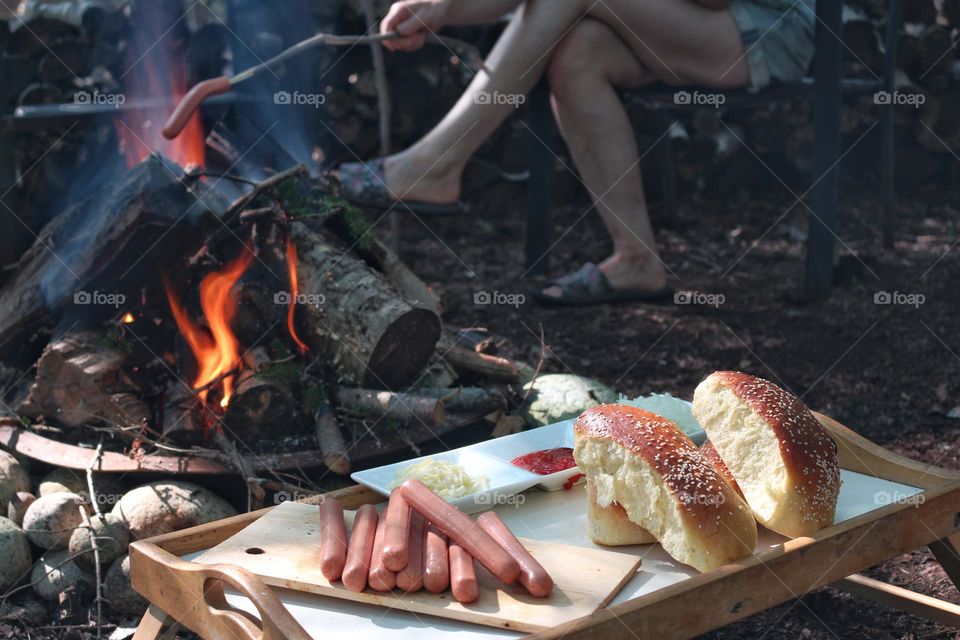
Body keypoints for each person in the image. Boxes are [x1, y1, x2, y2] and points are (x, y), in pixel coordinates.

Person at [337, 0, 816, 305]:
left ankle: (435, 164)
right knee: (576, 57)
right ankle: (636, 260)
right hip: (694, 26)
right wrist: (441, 10)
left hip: (766, 30)